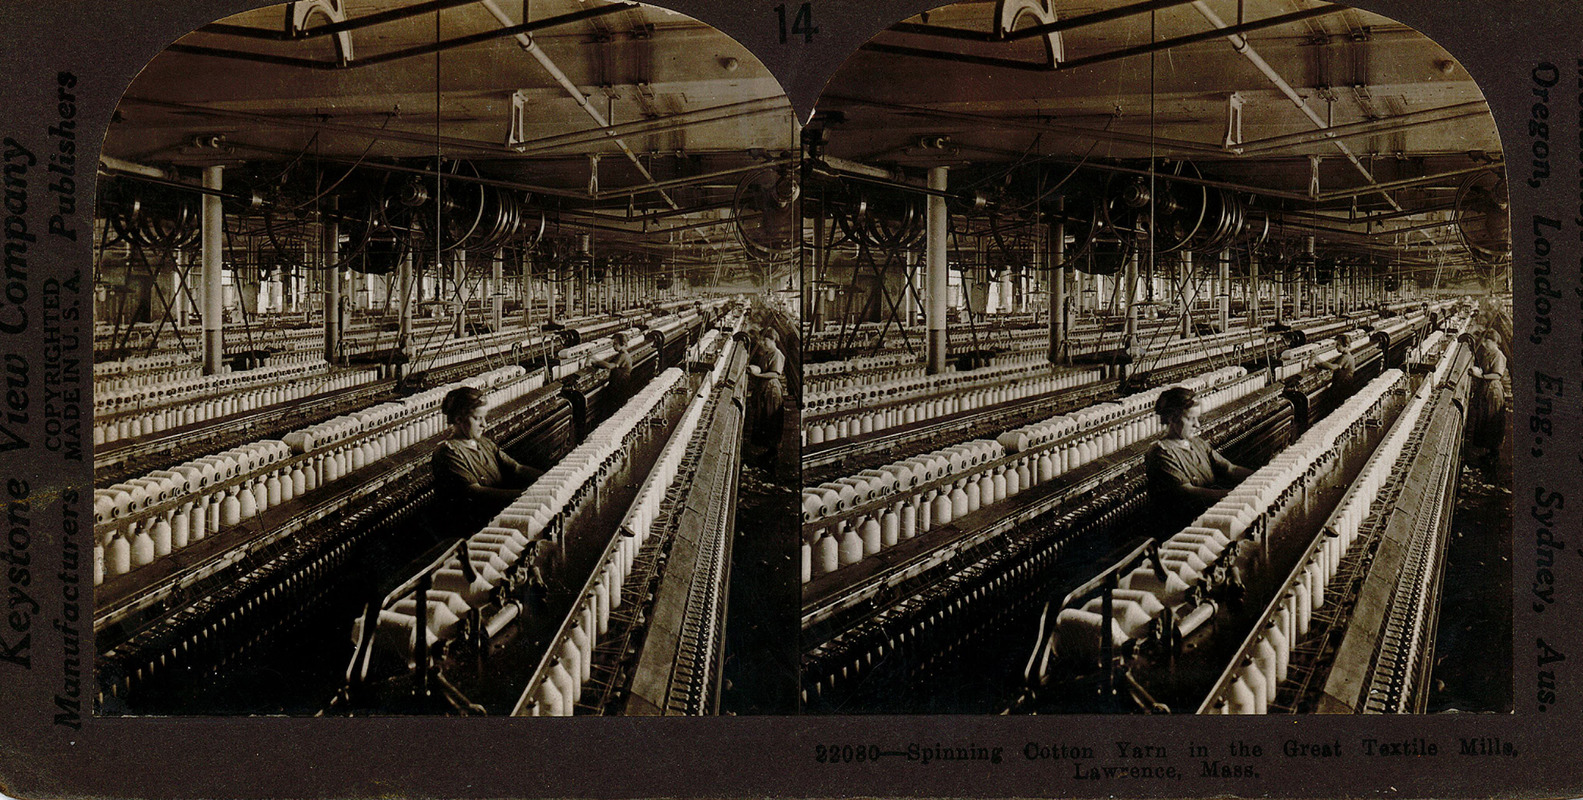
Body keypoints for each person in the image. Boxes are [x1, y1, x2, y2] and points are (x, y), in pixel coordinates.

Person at [1144, 386, 1253, 532]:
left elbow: (1229, 468)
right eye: (1191, 419)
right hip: (1185, 529)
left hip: (1209, 516)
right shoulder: (1160, 453)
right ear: (1171, 418)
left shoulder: (1196, 442)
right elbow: (1188, 493)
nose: (1197, 424)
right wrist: (1237, 495)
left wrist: (1260, 479)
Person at [431, 386, 544, 516]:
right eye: (478, 418)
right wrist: (526, 495)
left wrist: (547, 479)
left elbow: (516, 468)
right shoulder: (447, 452)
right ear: (458, 419)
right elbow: (475, 492)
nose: (484, 424)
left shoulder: (483, 443)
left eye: (484, 418)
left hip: (500, 512)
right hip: (477, 522)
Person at [746, 330, 786, 467]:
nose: (763, 342)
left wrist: (757, 375)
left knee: (772, 419)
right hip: (765, 389)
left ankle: (773, 454)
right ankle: (768, 453)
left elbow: (775, 374)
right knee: (765, 419)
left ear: (773, 339)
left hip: (772, 390)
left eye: (765, 340)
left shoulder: (777, 354)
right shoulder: (767, 354)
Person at [589, 332, 634, 407]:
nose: (613, 346)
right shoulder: (622, 354)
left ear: (622, 344)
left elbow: (610, 366)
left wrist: (595, 360)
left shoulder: (623, 356)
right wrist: (595, 361)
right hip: (620, 384)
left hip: (620, 386)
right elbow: (607, 364)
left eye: (615, 344)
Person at [1311, 334, 1357, 406]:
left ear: (1345, 345)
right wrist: (1318, 361)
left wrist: (1318, 362)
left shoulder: (1345, 357)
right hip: (1344, 387)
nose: (1336, 347)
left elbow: (1333, 367)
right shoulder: (1347, 356)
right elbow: (1331, 365)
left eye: (1338, 345)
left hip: (1342, 389)